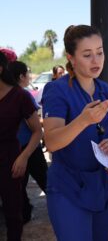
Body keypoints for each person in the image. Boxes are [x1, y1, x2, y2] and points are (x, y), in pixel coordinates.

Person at [42, 24, 108, 241]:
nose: (96, 61)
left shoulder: (105, 89)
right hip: (69, 187)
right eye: (87, 55)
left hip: (102, 183)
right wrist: (83, 121)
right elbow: (52, 141)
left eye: (100, 52)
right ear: (71, 58)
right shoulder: (57, 90)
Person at [0, 52, 42, 240]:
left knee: (13, 214)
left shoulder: (20, 96)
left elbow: (37, 131)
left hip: (10, 159)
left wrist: (24, 156)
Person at [9, 61, 48, 224]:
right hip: (29, 148)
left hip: (15, 149)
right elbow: (35, 127)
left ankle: (24, 213)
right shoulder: (22, 95)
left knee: (18, 187)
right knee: (47, 182)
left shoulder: (8, 95)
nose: (30, 76)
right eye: (28, 73)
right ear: (21, 76)